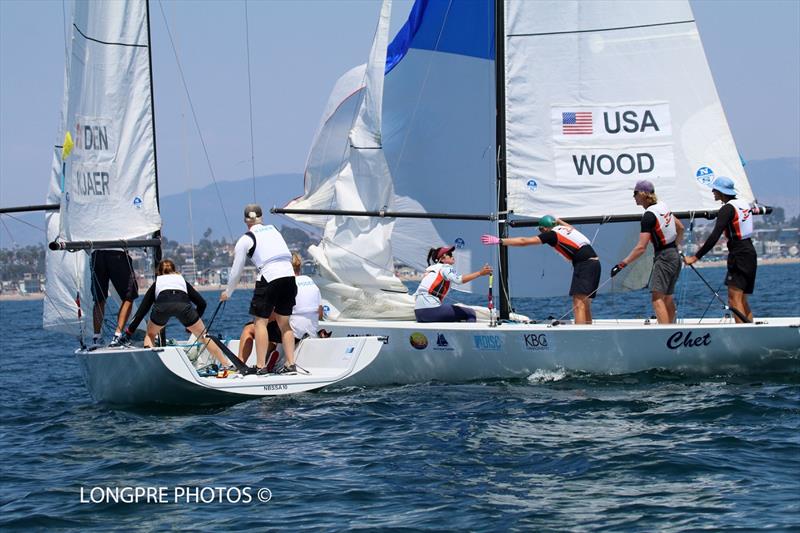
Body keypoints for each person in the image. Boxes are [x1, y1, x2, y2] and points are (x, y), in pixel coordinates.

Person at [221, 204, 299, 373]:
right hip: (289, 276)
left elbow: (236, 270)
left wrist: (228, 292)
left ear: (245, 220)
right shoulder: (274, 230)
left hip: (269, 276)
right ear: (261, 218)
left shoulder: (246, 239)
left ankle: (261, 366)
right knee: (284, 324)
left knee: (259, 323)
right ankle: (291, 364)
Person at [481, 215, 600, 324]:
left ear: (545, 228)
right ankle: (589, 334)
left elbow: (524, 241)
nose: (541, 232)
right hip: (595, 264)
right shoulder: (567, 230)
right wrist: (559, 221)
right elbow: (569, 226)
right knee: (585, 303)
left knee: (578, 303)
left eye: (541, 230)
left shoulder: (552, 234)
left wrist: (500, 241)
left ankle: (580, 337)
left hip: (585, 265)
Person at [116, 259, 229, 368]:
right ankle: (226, 365)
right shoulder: (181, 281)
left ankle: (151, 367)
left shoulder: (158, 282)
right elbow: (202, 303)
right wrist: (191, 325)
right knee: (204, 337)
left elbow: (142, 310)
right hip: (184, 306)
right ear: (174, 270)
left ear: (159, 272)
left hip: (162, 306)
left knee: (150, 335)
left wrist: (129, 331)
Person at [684, 176, 757, 323]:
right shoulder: (743, 203)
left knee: (734, 298)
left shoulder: (727, 208)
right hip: (749, 251)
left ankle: (743, 335)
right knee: (742, 299)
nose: (712, 191)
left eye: (714, 189)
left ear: (721, 192)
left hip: (739, 253)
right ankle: (751, 331)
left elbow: (714, 236)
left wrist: (695, 257)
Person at [611, 180, 685, 323]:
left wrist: (621, 264)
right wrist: (674, 247)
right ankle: (673, 330)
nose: (633, 197)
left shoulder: (648, 216)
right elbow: (680, 227)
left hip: (664, 258)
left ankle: (665, 334)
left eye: (635, 193)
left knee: (657, 298)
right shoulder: (663, 206)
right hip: (674, 255)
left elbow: (641, 247)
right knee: (667, 297)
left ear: (643, 194)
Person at [237, 253, 324, 374]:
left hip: (292, 333)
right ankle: (271, 360)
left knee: (251, 328)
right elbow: (320, 314)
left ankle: (240, 365)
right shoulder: (310, 282)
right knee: (272, 331)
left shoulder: (287, 284)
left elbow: (271, 317)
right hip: (310, 331)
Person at [413, 246, 492, 323]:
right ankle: (466, 336)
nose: (452, 256)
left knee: (453, 314)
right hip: (431, 311)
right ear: (442, 259)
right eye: (450, 255)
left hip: (418, 314)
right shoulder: (445, 267)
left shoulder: (430, 270)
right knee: (470, 313)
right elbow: (458, 280)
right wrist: (480, 273)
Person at [90, 249, 138, 347]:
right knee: (129, 296)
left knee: (99, 299)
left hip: (97, 253)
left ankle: (97, 337)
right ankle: (117, 336)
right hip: (117, 252)